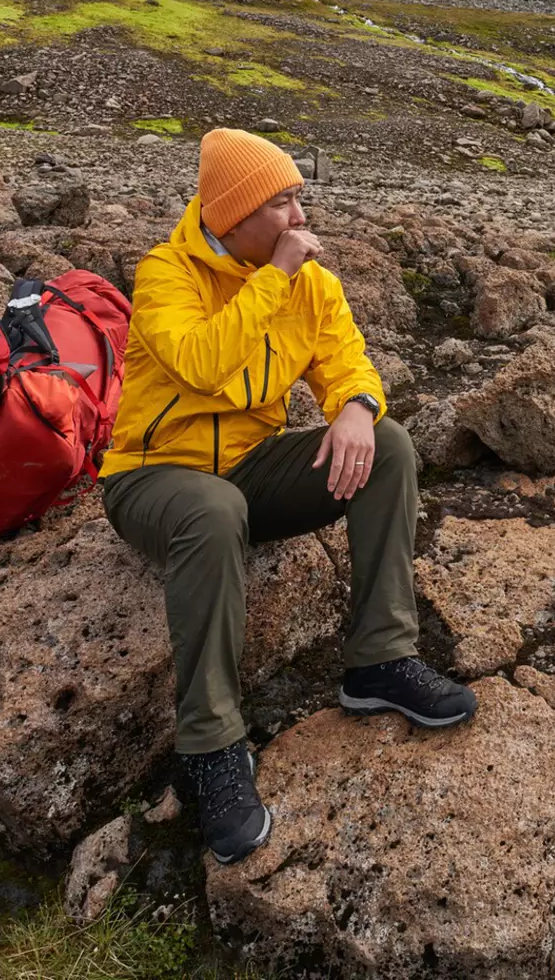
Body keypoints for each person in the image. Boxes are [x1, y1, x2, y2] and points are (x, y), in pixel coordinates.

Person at [100, 127, 476, 864]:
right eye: (282, 201)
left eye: (298, 196)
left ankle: (379, 661)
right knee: (212, 511)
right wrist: (271, 277)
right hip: (151, 477)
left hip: (245, 470)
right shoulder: (164, 274)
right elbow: (203, 366)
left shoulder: (313, 282)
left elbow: (349, 363)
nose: (300, 215)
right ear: (230, 217)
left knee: (392, 447)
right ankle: (212, 746)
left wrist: (357, 410)